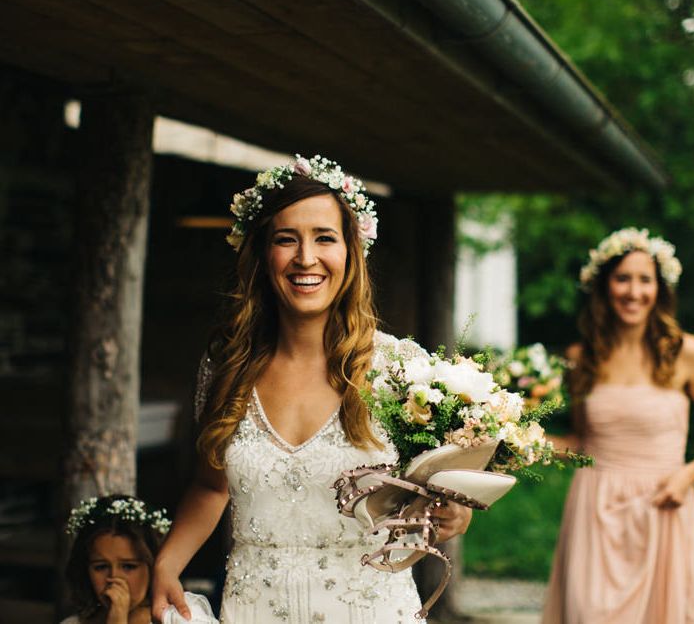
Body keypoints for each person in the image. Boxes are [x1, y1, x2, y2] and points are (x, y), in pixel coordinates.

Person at [151, 155, 472, 623]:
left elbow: (439, 488)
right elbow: (210, 485)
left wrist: (456, 515)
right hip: (255, 609)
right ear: (262, 255)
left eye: (324, 237)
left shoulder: (400, 368)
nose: (306, 258)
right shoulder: (227, 366)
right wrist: (167, 562)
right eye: (287, 240)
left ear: (351, 252)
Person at [542, 227, 694, 623]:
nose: (633, 291)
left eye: (645, 280)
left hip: (664, 505)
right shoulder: (581, 356)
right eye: (622, 278)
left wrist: (686, 476)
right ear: (604, 285)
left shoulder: (687, 353)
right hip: (596, 506)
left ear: (660, 289)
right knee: (588, 610)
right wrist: (517, 437)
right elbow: (582, 441)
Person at [62, 494, 171, 624]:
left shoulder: (177, 620)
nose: (115, 579)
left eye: (128, 566)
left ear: (152, 565)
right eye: (101, 567)